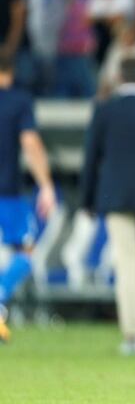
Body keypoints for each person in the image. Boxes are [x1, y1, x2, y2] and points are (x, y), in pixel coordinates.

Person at [79, 56, 135, 355]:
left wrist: (87, 200)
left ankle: (134, 335)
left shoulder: (105, 110)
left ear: (119, 77)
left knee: (128, 262)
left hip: (117, 198)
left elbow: (92, 158)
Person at [0, 51, 56, 343]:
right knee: (26, 252)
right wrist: (45, 184)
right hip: (6, 193)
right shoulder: (18, 101)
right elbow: (30, 142)